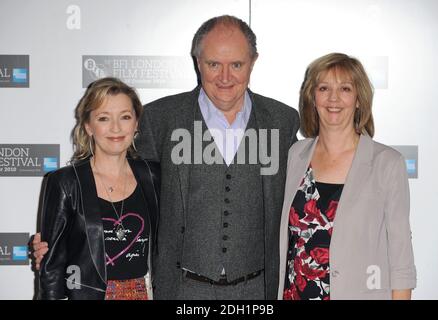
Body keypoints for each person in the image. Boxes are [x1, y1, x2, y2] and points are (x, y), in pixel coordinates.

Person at [33, 15, 299, 300]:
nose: (225, 77)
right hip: (181, 290)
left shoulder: (281, 121)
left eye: (236, 64)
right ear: (198, 63)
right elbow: (120, 188)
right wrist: (59, 245)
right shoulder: (159, 119)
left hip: (258, 291)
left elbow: (305, 198)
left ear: (253, 62)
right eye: (213, 64)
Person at [278, 53, 416, 300]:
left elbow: (401, 257)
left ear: (359, 99)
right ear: (312, 97)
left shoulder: (387, 163)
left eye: (344, 88)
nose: (333, 98)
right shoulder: (295, 155)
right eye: (324, 88)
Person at [38, 77, 160, 300]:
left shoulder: (154, 176)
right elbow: (51, 265)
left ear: (136, 124)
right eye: (104, 118)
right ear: (88, 126)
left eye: (125, 117)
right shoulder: (66, 182)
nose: (116, 128)